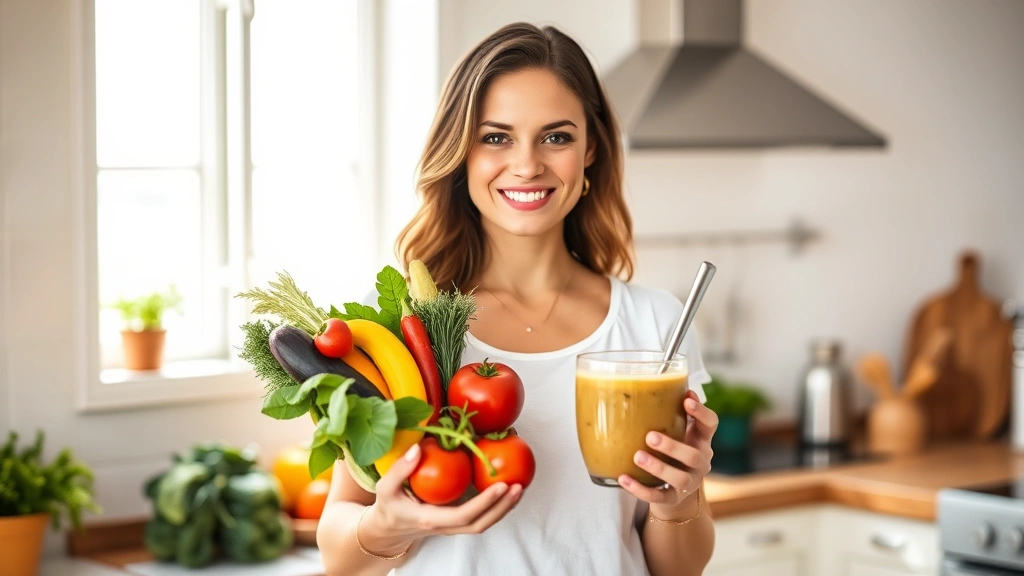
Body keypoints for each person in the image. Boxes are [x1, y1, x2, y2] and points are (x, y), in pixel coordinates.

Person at [316, 22, 718, 576]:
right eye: (496, 137)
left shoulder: (654, 323)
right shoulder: (402, 324)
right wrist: (386, 526)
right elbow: (338, 552)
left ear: (591, 149)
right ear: (461, 151)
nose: (528, 165)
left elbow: (681, 569)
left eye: (556, 137)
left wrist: (679, 499)